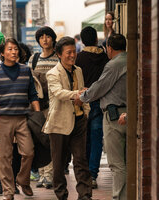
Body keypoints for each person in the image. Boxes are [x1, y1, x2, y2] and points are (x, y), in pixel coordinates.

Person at [0, 38, 40, 200]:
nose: (14, 52)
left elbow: (33, 94)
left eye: (16, 49)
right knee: (5, 156)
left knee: (29, 152)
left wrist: (38, 115)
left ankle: (23, 180)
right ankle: (8, 191)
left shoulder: (25, 70)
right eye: (10, 49)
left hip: (23, 118)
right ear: (2, 53)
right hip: (3, 118)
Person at [43, 36, 92, 200]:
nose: (72, 55)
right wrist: (79, 94)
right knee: (58, 164)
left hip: (79, 121)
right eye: (68, 52)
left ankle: (85, 195)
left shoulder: (78, 70)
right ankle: (61, 194)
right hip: (59, 123)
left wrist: (86, 111)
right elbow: (58, 93)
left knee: (81, 160)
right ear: (59, 54)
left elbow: (84, 92)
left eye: (74, 51)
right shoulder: (52, 73)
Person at [79, 34, 127, 200]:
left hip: (115, 116)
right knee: (125, 161)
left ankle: (120, 197)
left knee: (117, 163)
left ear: (110, 48)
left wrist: (82, 96)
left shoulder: (114, 64)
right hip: (127, 113)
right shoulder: (130, 59)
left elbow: (100, 87)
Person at [75, 26, 109, 189]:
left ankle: (85, 174)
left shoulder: (79, 58)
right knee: (96, 140)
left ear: (82, 40)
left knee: (83, 139)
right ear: (96, 39)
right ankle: (93, 175)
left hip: (83, 101)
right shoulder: (105, 57)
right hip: (100, 101)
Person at [27, 26, 58, 189]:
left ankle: (50, 175)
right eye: (41, 37)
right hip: (38, 105)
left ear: (53, 39)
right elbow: (29, 81)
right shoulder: (34, 58)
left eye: (47, 36)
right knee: (39, 139)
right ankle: (42, 174)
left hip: (54, 105)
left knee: (51, 138)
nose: (45, 39)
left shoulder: (58, 58)